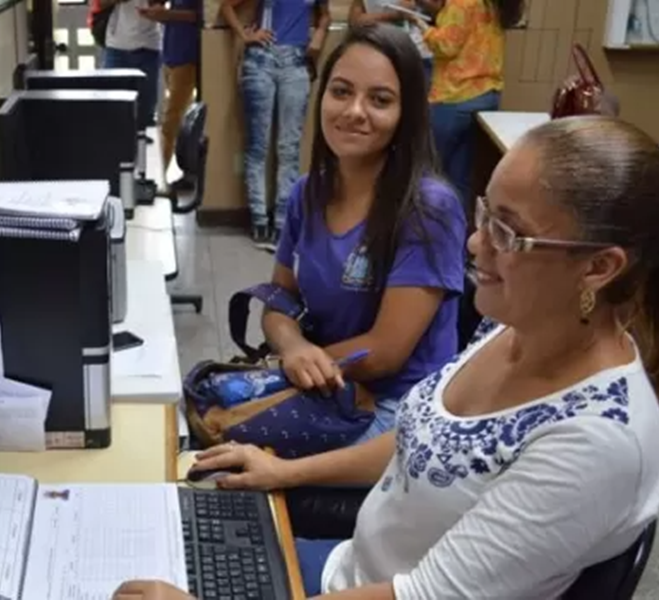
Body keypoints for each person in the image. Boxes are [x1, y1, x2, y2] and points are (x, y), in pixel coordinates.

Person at [118, 115, 659, 599]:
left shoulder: (597, 442)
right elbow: (424, 442)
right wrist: (285, 470)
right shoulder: (514, 326)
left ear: (598, 268)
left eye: (507, 232)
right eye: (485, 213)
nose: (474, 243)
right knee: (159, 538)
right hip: (348, 572)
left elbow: (421, 595)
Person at [263, 25, 465, 441]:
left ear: (406, 114)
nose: (354, 111)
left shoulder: (429, 208)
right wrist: (291, 348)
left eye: (380, 100)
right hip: (327, 384)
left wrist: (292, 366)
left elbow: (384, 354)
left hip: (398, 407)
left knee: (239, 463)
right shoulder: (308, 191)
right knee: (209, 427)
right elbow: (279, 300)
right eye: (340, 91)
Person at [220, 0, 330, 251]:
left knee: (289, 147)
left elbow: (325, 15)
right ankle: (259, 219)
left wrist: (321, 33)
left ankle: (283, 222)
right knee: (258, 146)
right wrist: (245, 35)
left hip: (296, 61)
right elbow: (226, 7)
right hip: (261, 59)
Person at [406, 0, 524, 208]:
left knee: (428, 171)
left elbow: (445, 46)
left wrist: (420, 24)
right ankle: (456, 232)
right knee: (461, 175)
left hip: (454, 96)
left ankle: (425, 230)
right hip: (486, 95)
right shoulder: (491, 4)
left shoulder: (461, 2)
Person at [138, 0, 201, 175]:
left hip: (187, 56)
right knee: (179, 119)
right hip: (171, 53)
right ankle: (187, 174)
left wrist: (167, 15)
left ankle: (157, 177)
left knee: (170, 120)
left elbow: (200, 17)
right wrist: (158, 15)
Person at [347, 0, 435, 92]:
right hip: (380, 53)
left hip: (420, 55)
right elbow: (355, 23)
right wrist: (394, 15)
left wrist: (417, 3)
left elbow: (441, 13)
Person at [100, 0, 162, 129]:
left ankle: (143, 147)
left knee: (145, 110)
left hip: (148, 46)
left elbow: (162, 5)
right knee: (112, 108)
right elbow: (99, 3)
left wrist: (156, 8)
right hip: (116, 46)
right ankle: (115, 147)